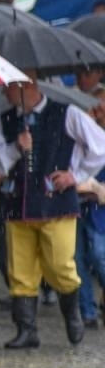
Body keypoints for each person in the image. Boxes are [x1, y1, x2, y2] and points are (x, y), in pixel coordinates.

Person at [0, 77, 105, 347]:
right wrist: (17, 148)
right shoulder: (4, 122)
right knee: (21, 270)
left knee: (61, 264)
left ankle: (72, 313)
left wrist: (76, 175)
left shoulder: (66, 113)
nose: (4, 92)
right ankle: (27, 329)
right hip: (18, 205)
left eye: (9, 87)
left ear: (27, 86)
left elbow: (101, 146)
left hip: (57, 205)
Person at [77, 92, 105, 327]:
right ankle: (87, 310)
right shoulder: (78, 138)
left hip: (99, 210)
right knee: (76, 260)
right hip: (75, 206)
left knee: (97, 254)